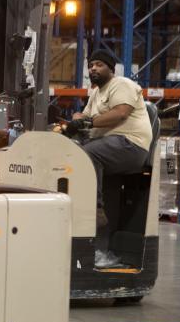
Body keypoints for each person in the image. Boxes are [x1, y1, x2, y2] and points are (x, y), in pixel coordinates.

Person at [63, 50, 152, 268]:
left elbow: (120, 113)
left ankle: (95, 208)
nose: (93, 68)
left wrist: (88, 123)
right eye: (91, 65)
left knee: (87, 155)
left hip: (130, 144)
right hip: (109, 147)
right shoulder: (96, 93)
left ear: (111, 69)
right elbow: (83, 116)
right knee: (71, 153)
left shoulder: (121, 84)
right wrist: (76, 121)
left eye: (99, 64)